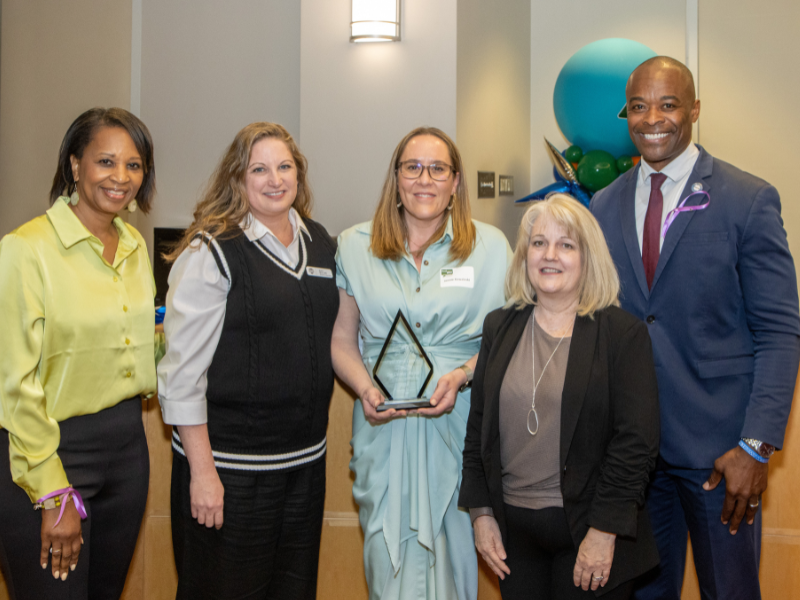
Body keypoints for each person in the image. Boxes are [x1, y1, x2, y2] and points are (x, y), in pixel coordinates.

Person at [591, 56, 800, 600]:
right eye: (639, 106)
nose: (652, 118)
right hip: (636, 456)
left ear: (695, 111)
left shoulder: (747, 198)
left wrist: (755, 447)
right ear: (626, 115)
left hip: (721, 458)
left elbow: (780, 331)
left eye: (668, 104)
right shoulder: (604, 204)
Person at [157, 122, 339, 600]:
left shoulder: (320, 241)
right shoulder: (212, 250)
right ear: (238, 178)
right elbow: (181, 377)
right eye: (259, 168)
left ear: (299, 175)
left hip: (303, 468)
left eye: (284, 167)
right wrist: (203, 474)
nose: (274, 179)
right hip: (230, 473)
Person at [331, 127, 512, 599]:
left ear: (455, 182)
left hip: (459, 420)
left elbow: (510, 341)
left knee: (456, 556)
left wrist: (463, 375)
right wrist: (363, 388)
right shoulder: (355, 244)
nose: (424, 179)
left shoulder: (490, 248)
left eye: (438, 169)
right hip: (383, 427)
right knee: (385, 561)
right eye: (412, 167)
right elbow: (342, 339)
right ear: (396, 178)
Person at [459, 194, 660, 600]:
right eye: (538, 243)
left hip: (589, 530)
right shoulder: (499, 327)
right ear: (524, 255)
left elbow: (636, 445)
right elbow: (478, 430)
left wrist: (604, 533)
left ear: (588, 258)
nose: (549, 255)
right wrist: (481, 515)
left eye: (566, 245)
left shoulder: (622, 335)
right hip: (514, 536)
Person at [0, 107, 157, 600]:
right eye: (106, 161)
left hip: (127, 452)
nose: (121, 177)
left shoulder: (133, 243)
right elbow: (14, 383)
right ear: (74, 164)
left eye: (134, 165)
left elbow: (139, 344)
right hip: (51, 453)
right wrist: (52, 491)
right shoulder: (26, 249)